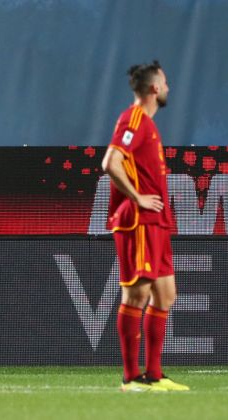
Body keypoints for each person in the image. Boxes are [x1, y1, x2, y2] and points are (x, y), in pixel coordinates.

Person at [101, 61, 189, 392]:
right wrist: (137, 197)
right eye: (164, 82)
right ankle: (131, 377)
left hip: (157, 222)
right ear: (154, 88)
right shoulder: (134, 119)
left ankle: (155, 375)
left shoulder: (148, 125)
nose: (167, 87)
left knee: (165, 295)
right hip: (138, 221)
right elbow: (111, 161)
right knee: (137, 294)